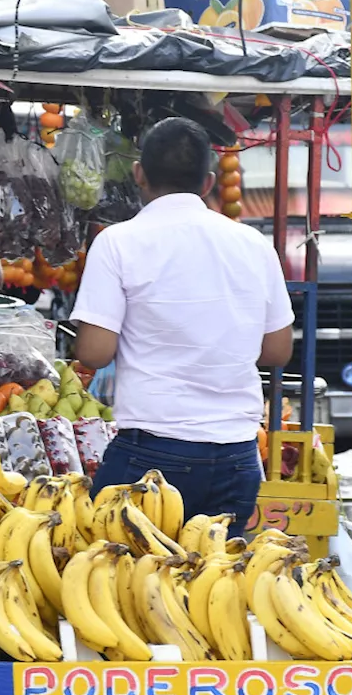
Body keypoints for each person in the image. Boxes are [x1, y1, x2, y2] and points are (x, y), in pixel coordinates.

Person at [70, 117, 293, 536]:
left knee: (124, 586)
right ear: (208, 183)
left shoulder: (119, 242)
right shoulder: (252, 245)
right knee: (210, 590)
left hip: (151, 451)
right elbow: (278, 352)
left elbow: (93, 354)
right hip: (238, 456)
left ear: (139, 174)